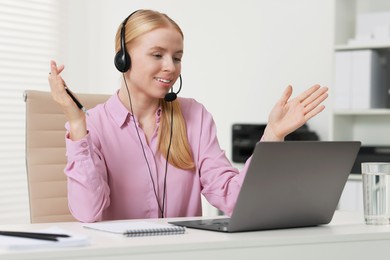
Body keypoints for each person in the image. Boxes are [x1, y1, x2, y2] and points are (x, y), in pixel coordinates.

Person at [48, 9, 328, 223]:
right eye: (157, 55)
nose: (170, 67)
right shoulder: (93, 126)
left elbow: (233, 199)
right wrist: (76, 124)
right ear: (123, 59)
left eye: (177, 57)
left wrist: (273, 136)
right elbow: (88, 212)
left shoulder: (194, 116)